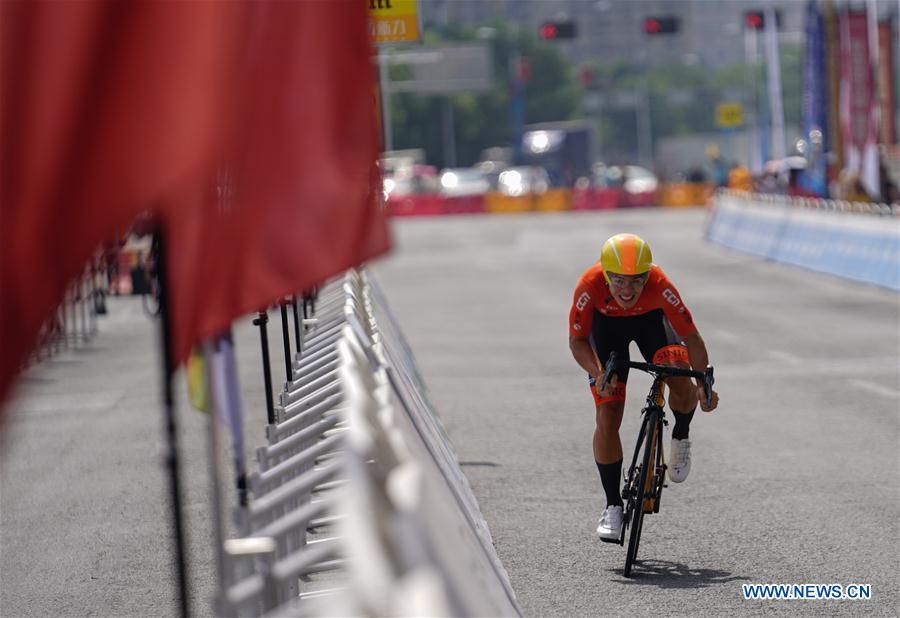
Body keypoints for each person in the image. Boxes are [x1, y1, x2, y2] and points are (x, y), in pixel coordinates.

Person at [568, 233, 719, 541]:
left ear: (647, 276)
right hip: (606, 332)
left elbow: (692, 338)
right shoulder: (589, 286)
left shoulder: (661, 285)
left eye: (637, 281)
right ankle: (613, 506)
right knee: (607, 414)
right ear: (607, 275)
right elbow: (577, 340)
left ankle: (681, 434)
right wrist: (598, 374)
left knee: (679, 375)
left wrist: (702, 381)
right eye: (620, 281)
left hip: (651, 325)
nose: (628, 290)